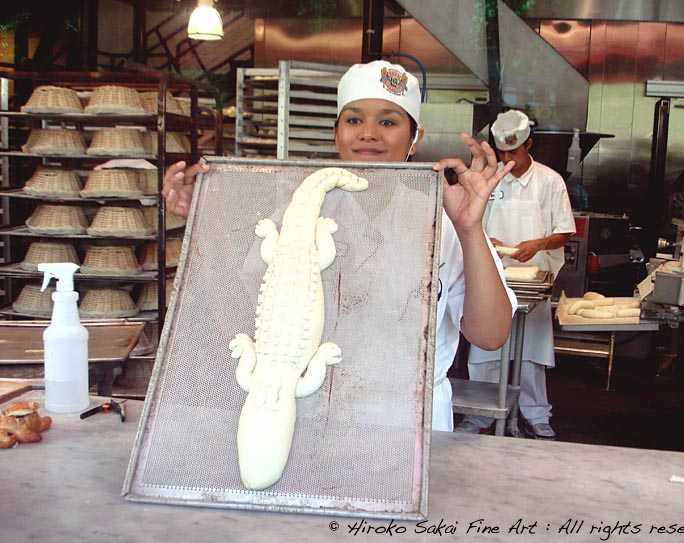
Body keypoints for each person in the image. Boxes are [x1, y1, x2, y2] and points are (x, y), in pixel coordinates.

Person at [162, 59, 517, 431]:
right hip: (316, 421)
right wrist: (204, 220)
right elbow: (240, 322)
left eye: (388, 121)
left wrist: (469, 228)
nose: (368, 133)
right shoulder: (298, 217)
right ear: (336, 134)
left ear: (416, 138)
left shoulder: (442, 222)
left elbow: (491, 335)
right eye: (353, 120)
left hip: (414, 424)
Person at [456, 109, 576, 439]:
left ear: (529, 146)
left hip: (531, 281)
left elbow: (564, 231)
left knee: (531, 354)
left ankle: (536, 415)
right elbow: (468, 219)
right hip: (490, 279)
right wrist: (484, 239)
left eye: (515, 151)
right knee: (484, 352)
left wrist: (537, 245)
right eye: (503, 152)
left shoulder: (549, 181)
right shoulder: (489, 182)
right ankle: (478, 415)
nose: (508, 159)